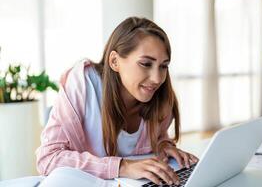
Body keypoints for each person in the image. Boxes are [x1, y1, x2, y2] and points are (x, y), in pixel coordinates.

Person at [36, 17, 198, 185]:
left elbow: (158, 136)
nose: (157, 79)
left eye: (163, 66)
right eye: (145, 63)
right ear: (114, 61)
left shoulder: (159, 97)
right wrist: (122, 166)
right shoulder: (84, 84)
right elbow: (48, 158)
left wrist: (164, 146)